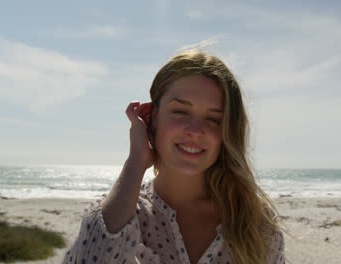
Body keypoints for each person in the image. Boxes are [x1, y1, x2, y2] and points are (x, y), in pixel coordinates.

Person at [63, 50, 285, 264]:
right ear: (153, 116)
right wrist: (135, 163)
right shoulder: (121, 214)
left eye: (214, 119)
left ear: (228, 131)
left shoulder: (255, 224)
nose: (196, 131)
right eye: (180, 112)